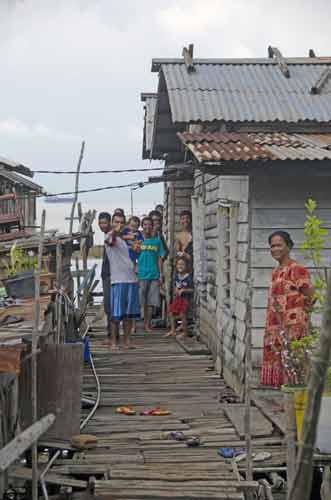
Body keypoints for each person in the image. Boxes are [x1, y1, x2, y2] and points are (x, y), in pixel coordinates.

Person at [261, 231, 315, 388]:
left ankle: (297, 402)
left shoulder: (297, 269)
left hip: (293, 327)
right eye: (272, 246)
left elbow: (310, 295)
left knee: (294, 364)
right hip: (275, 327)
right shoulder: (276, 272)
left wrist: (301, 319)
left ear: (288, 246)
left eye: (279, 245)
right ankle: (285, 401)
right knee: (280, 362)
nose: (275, 249)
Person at [104, 222, 140, 350]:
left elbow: (135, 255)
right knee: (116, 314)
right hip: (118, 280)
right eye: (116, 222)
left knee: (129, 314)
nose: (119, 225)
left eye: (121, 223)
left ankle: (127, 341)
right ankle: (114, 342)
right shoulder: (109, 236)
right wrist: (115, 231)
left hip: (132, 278)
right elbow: (111, 241)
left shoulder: (126, 240)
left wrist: (136, 248)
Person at [137, 216, 165, 332]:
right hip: (141, 275)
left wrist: (161, 274)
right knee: (139, 301)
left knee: (150, 303)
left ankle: (147, 325)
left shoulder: (157, 241)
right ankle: (134, 326)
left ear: (152, 227)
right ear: (142, 226)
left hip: (153, 275)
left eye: (149, 224)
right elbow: (133, 256)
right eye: (145, 224)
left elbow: (160, 258)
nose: (147, 227)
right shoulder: (138, 240)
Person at [165, 257, 193, 339]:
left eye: (182, 264)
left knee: (182, 315)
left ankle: (185, 332)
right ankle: (173, 330)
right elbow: (175, 286)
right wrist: (175, 290)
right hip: (177, 299)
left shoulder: (188, 277)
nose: (180, 266)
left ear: (186, 266)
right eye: (178, 264)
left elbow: (192, 289)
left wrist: (184, 290)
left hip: (185, 299)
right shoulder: (177, 276)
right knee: (171, 313)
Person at [98, 212, 112, 338]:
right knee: (108, 305)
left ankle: (113, 334)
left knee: (110, 304)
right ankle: (111, 333)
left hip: (112, 275)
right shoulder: (106, 235)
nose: (102, 225)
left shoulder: (111, 235)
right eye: (100, 223)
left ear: (110, 222)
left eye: (104, 223)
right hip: (106, 274)